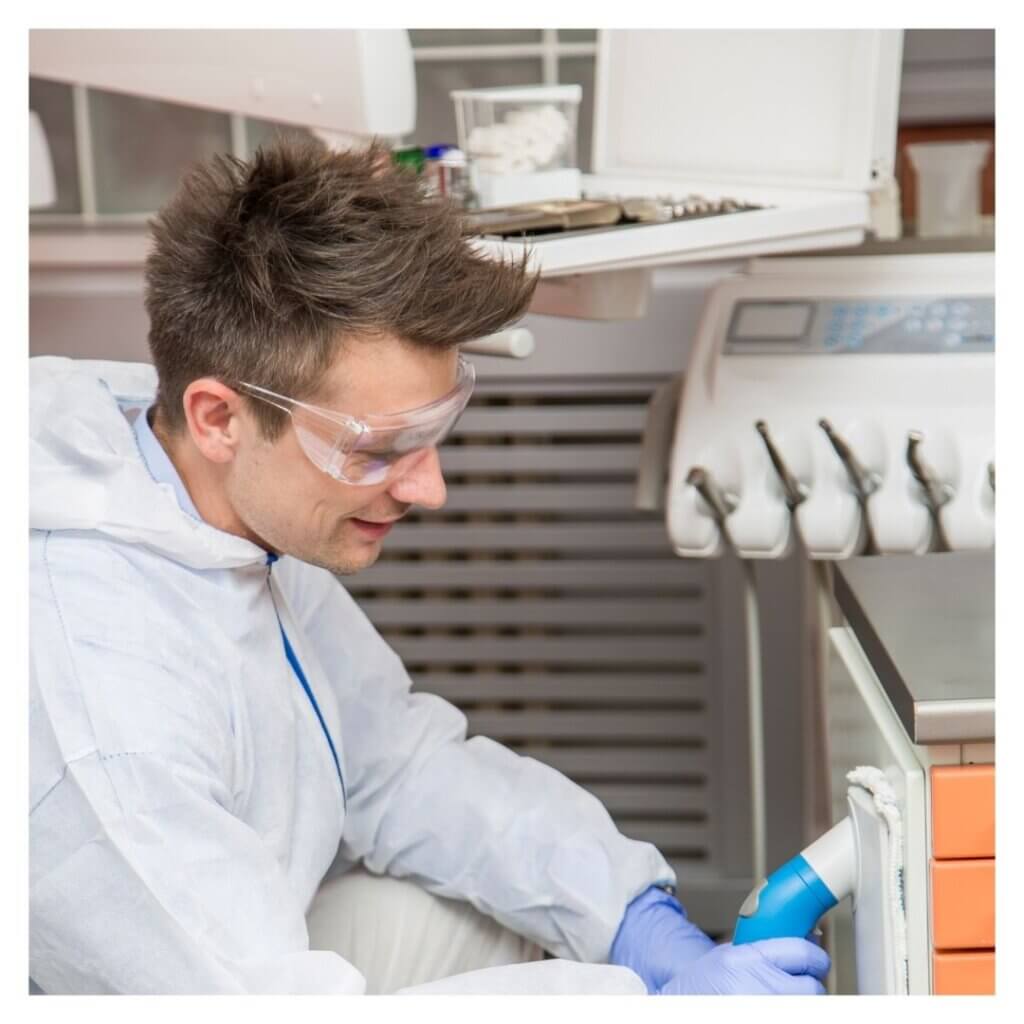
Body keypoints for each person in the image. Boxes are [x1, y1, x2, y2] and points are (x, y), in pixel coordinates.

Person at [29, 137, 829, 995]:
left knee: (493, 918)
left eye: (436, 428)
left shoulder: (217, 502)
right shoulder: (104, 709)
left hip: (249, 939)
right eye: (381, 449)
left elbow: (396, 764)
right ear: (220, 417)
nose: (431, 488)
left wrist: (636, 920)